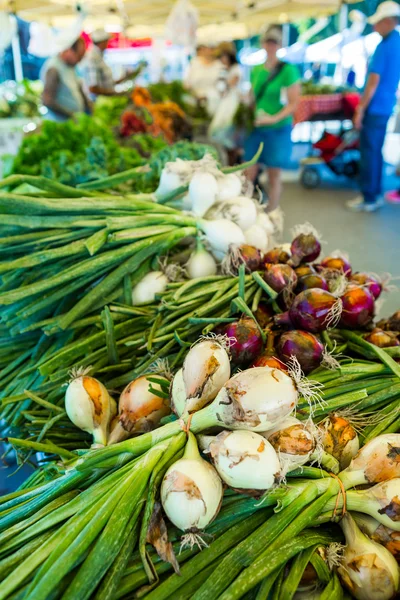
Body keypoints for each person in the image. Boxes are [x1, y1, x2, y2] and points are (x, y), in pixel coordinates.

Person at [347, 1, 400, 212]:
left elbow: (373, 81)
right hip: (385, 106)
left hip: (375, 107)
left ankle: (369, 196)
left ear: (388, 21)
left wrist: (360, 108)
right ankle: (374, 194)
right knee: (375, 151)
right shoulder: (396, 42)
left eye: (378, 22)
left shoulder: (385, 45)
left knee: (369, 152)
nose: (374, 27)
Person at [245, 26, 301, 212]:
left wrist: (274, 118)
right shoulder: (256, 69)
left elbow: (293, 103)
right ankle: (244, 207)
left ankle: (272, 211)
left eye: (274, 42)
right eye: (268, 41)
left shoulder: (288, 70)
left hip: (278, 130)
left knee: (274, 173)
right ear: (262, 44)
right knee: (248, 170)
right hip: (256, 127)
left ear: (279, 45)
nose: (270, 45)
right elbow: (252, 96)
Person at [41, 36, 91, 122]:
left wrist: (88, 106)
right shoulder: (54, 69)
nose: (79, 61)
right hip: (60, 124)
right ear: (68, 50)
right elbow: (47, 100)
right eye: (79, 57)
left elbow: (78, 87)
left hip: (74, 122)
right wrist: (71, 115)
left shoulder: (70, 66)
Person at [81, 29, 141, 99]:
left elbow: (107, 83)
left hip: (105, 99)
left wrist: (125, 78)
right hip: (98, 102)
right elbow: (93, 88)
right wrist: (115, 93)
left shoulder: (99, 57)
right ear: (102, 42)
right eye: (107, 41)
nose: (107, 43)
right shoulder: (92, 58)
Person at [209, 44, 242, 164]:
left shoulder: (235, 69)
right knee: (220, 134)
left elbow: (232, 84)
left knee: (228, 132)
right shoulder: (223, 70)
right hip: (224, 101)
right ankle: (228, 159)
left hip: (232, 103)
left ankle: (233, 159)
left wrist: (224, 84)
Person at [184, 44, 221, 114]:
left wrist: (208, 96)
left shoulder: (219, 65)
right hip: (194, 101)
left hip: (213, 103)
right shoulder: (194, 62)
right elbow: (187, 83)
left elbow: (221, 86)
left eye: (210, 48)